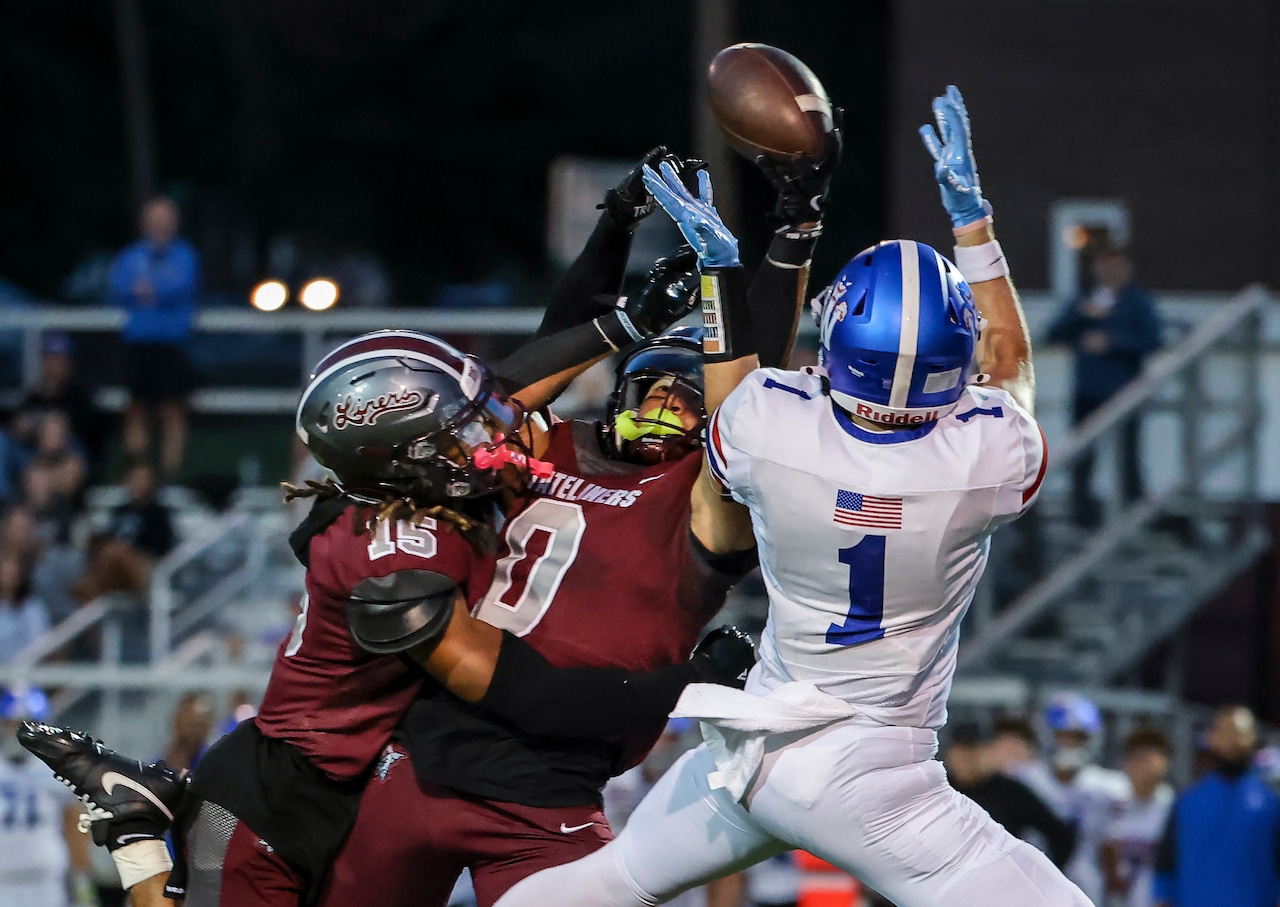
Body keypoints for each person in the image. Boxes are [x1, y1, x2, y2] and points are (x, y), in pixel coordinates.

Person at [490, 84, 1085, 907]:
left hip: (755, 745)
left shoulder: (775, 428)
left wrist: (721, 268)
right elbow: (1010, 366)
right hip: (872, 773)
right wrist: (974, 227)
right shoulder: (982, 459)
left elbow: (735, 386)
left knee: (599, 885)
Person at [19, 323, 755, 907]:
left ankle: (141, 820)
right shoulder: (396, 553)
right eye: (456, 434)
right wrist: (689, 683)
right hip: (283, 793)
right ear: (409, 458)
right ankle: (138, 834)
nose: (484, 439)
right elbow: (529, 693)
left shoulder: (424, 500)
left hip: (359, 775)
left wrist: (615, 316)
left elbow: (500, 395)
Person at [319, 141, 831, 907]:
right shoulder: (551, 445)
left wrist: (785, 237)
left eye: (686, 398)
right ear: (618, 393)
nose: (666, 403)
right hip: (424, 746)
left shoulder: (697, 494)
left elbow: (748, 403)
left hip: (551, 780)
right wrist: (612, 232)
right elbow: (517, 375)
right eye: (652, 388)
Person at [1046, 242, 1163, 527]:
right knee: (1083, 457)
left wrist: (1112, 343)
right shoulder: (1085, 300)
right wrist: (1082, 315)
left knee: (1128, 457)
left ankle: (1134, 513)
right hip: (1087, 391)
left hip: (1125, 391)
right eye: (1103, 264)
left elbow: (1152, 340)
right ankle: (1082, 516)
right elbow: (1053, 334)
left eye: (1115, 264)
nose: (1109, 271)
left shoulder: (1137, 302)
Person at [107, 196, 201, 482]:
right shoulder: (130, 256)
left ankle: (171, 475)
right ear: (144, 222)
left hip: (171, 344)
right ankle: (139, 474)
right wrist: (156, 292)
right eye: (155, 218)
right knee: (136, 408)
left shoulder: (185, 256)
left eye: (165, 218)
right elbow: (118, 288)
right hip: (137, 343)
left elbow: (181, 287)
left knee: (173, 409)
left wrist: (151, 291)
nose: (160, 224)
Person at [1154, 705, 1280, 907]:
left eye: (1238, 733)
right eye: (1225, 732)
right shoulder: (1187, 803)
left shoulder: (1271, 806)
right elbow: (1165, 866)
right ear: (1212, 737)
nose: (1232, 740)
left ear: (1252, 738)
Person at [1017, 692, 1131, 905]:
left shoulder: (1108, 787)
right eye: (1062, 735)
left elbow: (1111, 849)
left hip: (1086, 887)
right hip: (1033, 884)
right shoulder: (1025, 780)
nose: (1068, 744)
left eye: (1077, 737)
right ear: (1048, 736)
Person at [0, 686, 95, 907]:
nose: (18, 732)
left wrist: (83, 888)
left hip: (46, 883)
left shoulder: (57, 768)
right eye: (12, 723)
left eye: (27, 724)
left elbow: (74, 830)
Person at [942, 723, 1076, 867]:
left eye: (973, 752)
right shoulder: (938, 791)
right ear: (950, 755)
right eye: (961, 753)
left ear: (988, 752)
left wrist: (1042, 876)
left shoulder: (1010, 792)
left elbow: (1060, 836)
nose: (967, 760)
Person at [1102, 728, 1173, 907]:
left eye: (1150, 758)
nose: (1144, 766)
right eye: (1137, 758)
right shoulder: (1112, 803)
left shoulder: (1172, 807)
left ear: (1164, 763)